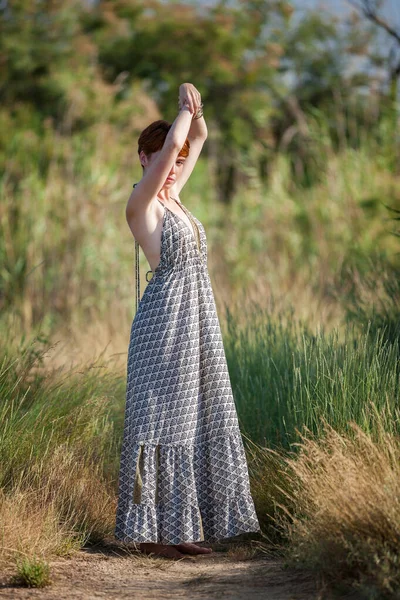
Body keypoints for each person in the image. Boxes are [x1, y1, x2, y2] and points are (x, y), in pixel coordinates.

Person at [114, 83, 261, 560]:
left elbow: (196, 138)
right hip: (164, 326)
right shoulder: (144, 203)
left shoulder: (176, 198)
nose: (173, 166)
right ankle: (151, 532)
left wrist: (193, 103)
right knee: (158, 424)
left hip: (195, 321)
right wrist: (178, 114)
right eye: (161, 159)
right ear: (144, 158)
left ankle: (177, 528)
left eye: (175, 164)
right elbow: (178, 143)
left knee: (191, 419)